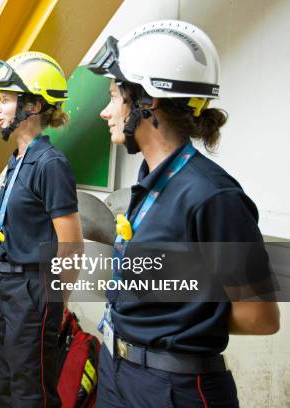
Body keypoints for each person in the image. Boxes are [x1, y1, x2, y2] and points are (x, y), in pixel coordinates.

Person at [86, 20, 280, 407]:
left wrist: (179, 322)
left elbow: (260, 317)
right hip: (118, 371)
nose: (105, 113)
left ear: (147, 100)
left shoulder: (212, 196)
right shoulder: (150, 182)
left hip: (174, 387)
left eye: (113, 97)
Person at [0, 51, 83, 407]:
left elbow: (71, 244)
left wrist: (56, 305)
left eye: (6, 99)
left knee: (31, 391)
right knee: (6, 382)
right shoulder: (18, 159)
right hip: (7, 283)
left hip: (34, 287)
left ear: (34, 106)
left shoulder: (50, 164)